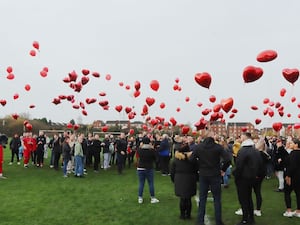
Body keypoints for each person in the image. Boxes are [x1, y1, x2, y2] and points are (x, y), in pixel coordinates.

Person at [187, 131, 231, 225]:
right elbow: (228, 159)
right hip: (215, 174)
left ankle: (200, 221)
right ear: (212, 137)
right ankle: (218, 221)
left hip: (203, 174)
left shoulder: (199, 147)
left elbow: (191, 160)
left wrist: (199, 166)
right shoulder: (218, 147)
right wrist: (222, 169)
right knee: (217, 199)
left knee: (202, 199)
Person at [232, 132, 263, 225]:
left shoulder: (243, 150)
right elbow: (260, 164)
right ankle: (251, 218)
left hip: (243, 178)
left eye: (241, 136)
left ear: (245, 137)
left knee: (244, 199)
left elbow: (239, 166)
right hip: (252, 178)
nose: (240, 138)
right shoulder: (255, 150)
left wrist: (235, 175)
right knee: (249, 199)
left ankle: (245, 219)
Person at [170, 138, 198, 220]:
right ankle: (188, 215)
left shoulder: (175, 160)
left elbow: (172, 171)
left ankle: (182, 215)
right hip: (190, 179)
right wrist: (196, 179)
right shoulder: (193, 160)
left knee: (182, 199)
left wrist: (173, 179)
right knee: (188, 199)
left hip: (179, 179)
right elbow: (197, 169)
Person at [136, 136, 159, 204]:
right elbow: (157, 159)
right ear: (149, 142)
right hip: (149, 168)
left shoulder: (139, 150)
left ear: (142, 142)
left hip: (140, 168)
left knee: (141, 183)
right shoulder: (152, 150)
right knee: (151, 183)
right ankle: (152, 198)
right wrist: (153, 149)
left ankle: (140, 198)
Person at [283, 138, 300, 218]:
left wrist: (288, 176)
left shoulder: (293, 153)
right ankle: (298, 211)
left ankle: (289, 210)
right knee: (298, 194)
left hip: (292, 177)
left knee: (287, 193)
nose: (290, 144)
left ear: (296, 144)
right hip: (298, 177)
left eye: (291, 143)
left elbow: (291, 166)